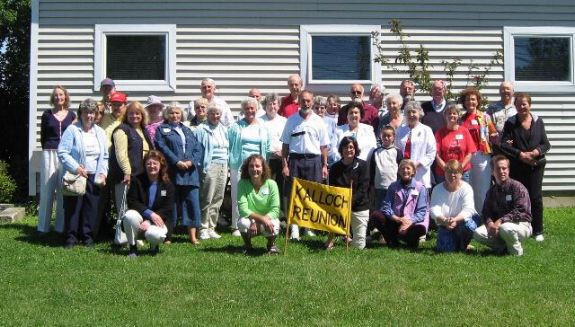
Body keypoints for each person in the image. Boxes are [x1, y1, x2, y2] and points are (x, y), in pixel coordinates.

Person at [57, 98, 108, 248]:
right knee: (73, 208)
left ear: (96, 114)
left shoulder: (99, 132)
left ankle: (88, 238)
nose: (89, 116)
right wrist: (76, 168)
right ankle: (71, 239)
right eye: (86, 112)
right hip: (77, 175)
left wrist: (103, 173)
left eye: (92, 113)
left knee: (91, 208)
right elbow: (62, 152)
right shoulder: (72, 130)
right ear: (81, 113)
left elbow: (104, 156)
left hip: (94, 175)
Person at [500, 93, 551, 242]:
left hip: (536, 165)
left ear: (530, 105)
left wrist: (535, 152)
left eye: (524, 104)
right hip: (517, 166)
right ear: (515, 106)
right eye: (519, 104)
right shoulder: (510, 122)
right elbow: (503, 144)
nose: (522, 107)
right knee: (518, 197)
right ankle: (518, 226)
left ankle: (538, 230)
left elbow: (546, 144)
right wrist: (520, 154)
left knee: (535, 197)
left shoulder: (538, 121)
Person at [281, 90, 330, 240]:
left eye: (308, 100)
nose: (306, 103)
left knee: (311, 195)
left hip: (314, 160)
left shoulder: (319, 121)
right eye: (303, 100)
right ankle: (295, 228)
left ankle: (308, 227)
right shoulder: (291, 120)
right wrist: (285, 165)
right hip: (295, 160)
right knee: (294, 195)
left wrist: (324, 165)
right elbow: (285, 146)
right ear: (299, 102)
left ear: (312, 102)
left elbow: (323, 146)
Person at [155, 104, 203, 244]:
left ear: (181, 115)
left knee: (192, 203)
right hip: (172, 172)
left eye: (177, 113)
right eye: (172, 113)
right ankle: (168, 235)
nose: (175, 116)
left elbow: (197, 148)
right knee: (171, 203)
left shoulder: (187, 130)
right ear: (167, 115)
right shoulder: (161, 130)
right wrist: (176, 162)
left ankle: (193, 236)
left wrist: (191, 162)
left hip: (190, 173)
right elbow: (161, 146)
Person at [228, 97, 271, 236]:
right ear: (243, 110)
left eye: (252, 108)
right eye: (247, 108)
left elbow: (268, 146)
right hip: (239, 164)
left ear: (256, 109)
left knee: (256, 195)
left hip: (258, 166)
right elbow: (229, 144)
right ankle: (237, 225)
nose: (250, 111)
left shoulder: (263, 127)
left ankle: (256, 223)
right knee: (238, 194)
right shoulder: (236, 126)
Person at [473, 155, 532, 256]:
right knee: (477, 233)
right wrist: (490, 224)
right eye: (498, 169)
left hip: (521, 225)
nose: (501, 171)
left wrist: (500, 221)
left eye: (504, 168)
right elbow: (486, 212)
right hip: (498, 227)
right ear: (492, 171)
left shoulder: (517, 187)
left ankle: (517, 253)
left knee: (505, 228)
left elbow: (521, 211)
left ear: (508, 170)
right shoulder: (491, 191)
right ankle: (503, 248)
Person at [38, 86, 76, 234]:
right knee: (47, 190)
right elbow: (43, 136)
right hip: (50, 152)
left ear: (65, 97)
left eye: (61, 94)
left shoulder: (72, 115)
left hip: (66, 155)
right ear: (52, 98)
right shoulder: (47, 114)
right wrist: (48, 149)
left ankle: (60, 227)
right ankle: (43, 227)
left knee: (63, 190)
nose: (58, 97)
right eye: (56, 95)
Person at [123, 150, 173, 257]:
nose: (152, 166)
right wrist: (150, 214)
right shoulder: (137, 180)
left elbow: (167, 208)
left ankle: (154, 246)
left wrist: (150, 221)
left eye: (155, 163)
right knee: (129, 216)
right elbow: (132, 201)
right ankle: (133, 248)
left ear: (161, 165)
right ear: (145, 165)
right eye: (148, 163)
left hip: (159, 220)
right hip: (140, 217)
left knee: (156, 235)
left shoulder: (167, 184)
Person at [371, 159, 429, 248]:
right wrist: (396, 218)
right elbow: (386, 206)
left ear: (413, 171)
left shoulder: (421, 188)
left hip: (411, 222)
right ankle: (392, 241)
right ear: (399, 171)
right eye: (402, 168)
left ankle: (410, 241)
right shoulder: (393, 186)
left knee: (419, 229)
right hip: (395, 220)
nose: (405, 170)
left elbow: (422, 211)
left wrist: (409, 221)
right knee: (376, 215)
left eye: (408, 168)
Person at [109, 101, 153, 219]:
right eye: (131, 113)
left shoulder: (143, 130)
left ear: (142, 115)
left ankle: (134, 233)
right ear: (126, 115)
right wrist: (126, 172)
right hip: (126, 176)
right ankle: (122, 234)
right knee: (124, 207)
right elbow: (120, 154)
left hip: (140, 175)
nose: (134, 116)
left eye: (137, 113)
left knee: (136, 206)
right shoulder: (121, 130)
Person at [325, 137, 370, 250]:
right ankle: (332, 238)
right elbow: (332, 189)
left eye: (351, 147)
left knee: (359, 247)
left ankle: (349, 237)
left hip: (359, 207)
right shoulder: (335, 167)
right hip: (340, 206)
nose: (348, 150)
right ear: (341, 149)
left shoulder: (363, 165)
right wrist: (342, 204)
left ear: (355, 149)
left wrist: (350, 201)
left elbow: (363, 189)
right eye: (345, 147)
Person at [459, 87, 497, 213]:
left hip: (481, 156)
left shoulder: (485, 117)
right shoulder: (461, 119)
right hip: (466, 157)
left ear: (478, 101)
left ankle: (483, 217)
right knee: (468, 188)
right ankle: (470, 216)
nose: (471, 102)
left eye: (473, 99)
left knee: (482, 189)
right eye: (468, 99)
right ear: (464, 102)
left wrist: (496, 137)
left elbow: (493, 134)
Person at [430, 160, 480, 252]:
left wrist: (455, 220)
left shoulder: (466, 188)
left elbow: (469, 209)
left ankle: (464, 245)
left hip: (463, 221)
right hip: (445, 223)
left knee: (469, 226)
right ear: (444, 173)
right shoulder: (437, 189)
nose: (452, 175)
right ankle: (456, 243)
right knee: (446, 250)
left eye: (455, 172)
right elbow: (434, 210)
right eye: (449, 172)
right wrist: (445, 221)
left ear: (461, 174)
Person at [196, 103, 229, 240]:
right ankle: (203, 228)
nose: (215, 116)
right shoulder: (201, 129)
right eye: (213, 113)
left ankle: (211, 227)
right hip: (209, 165)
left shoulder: (224, 129)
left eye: (218, 114)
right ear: (207, 114)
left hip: (223, 164)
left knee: (218, 197)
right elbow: (197, 150)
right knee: (207, 197)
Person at [237, 154, 281, 254]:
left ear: (263, 168)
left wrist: (265, 219)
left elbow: (275, 209)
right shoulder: (242, 184)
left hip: (267, 219)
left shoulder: (271, 184)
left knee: (275, 224)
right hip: (251, 220)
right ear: (247, 168)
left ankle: (271, 245)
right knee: (242, 223)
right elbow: (243, 209)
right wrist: (258, 220)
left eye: (257, 166)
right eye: (251, 166)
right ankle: (248, 245)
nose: (254, 169)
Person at [395, 101, 436, 190]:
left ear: (420, 114)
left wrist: (416, 165)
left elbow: (431, 152)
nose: (411, 115)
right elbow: (396, 149)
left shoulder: (426, 130)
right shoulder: (400, 130)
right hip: (403, 172)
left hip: (420, 173)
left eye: (414, 112)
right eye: (409, 112)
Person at [434, 103, 476, 184]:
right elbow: (436, 155)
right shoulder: (440, 133)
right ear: (445, 116)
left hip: (462, 172)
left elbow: (470, 152)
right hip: (444, 173)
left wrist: (460, 168)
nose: (451, 115)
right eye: (449, 113)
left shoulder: (464, 131)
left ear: (458, 116)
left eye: (454, 113)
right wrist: (447, 169)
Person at [259, 93, 287, 212]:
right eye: (269, 104)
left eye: (274, 103)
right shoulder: (260, 121)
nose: (272, 106)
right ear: (265, 106)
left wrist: (283, 152)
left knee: (281, 186)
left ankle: (280, 213)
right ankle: (264, 210)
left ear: (278, 105)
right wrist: (272, 151)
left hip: (282, 159)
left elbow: (286, 139)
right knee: (265, 186)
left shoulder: (284, 121)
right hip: (266, 159)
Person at [370, 125, 403, 208]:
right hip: (379, 187)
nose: (386, 138)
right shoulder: (376, 152)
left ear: (393, 137)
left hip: (393, 187)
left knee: (391, 210)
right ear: (381, 136)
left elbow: (400, 170)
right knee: (379, 210)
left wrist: (399, 185)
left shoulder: (397, 152)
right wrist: (372, 185)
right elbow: (372, 170)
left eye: (389, 136)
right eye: (384, 135)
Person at [487, 81, 517, 146]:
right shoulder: (492, 108)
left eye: (507, 89)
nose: (505, 91)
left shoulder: (518, 106)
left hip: (515, 145)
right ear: (499, 92)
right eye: (502, 89)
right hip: (497, 145)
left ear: (513, 91)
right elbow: (487, 124)